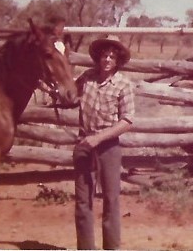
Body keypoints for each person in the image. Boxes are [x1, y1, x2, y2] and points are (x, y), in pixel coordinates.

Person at [73, 35, 135, 250]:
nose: (107, 59)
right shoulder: (87, 78)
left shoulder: (123, 84)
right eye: (104, 55)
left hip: (108, 147)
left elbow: (127, 121)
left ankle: (112, 247)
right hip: (84, 144)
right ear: (98, 58)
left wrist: (98, 138)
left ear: (117, 61)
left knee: (111, 200)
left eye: (111, 56)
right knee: (82, 201)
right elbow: (70, 96)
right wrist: (53, 91)